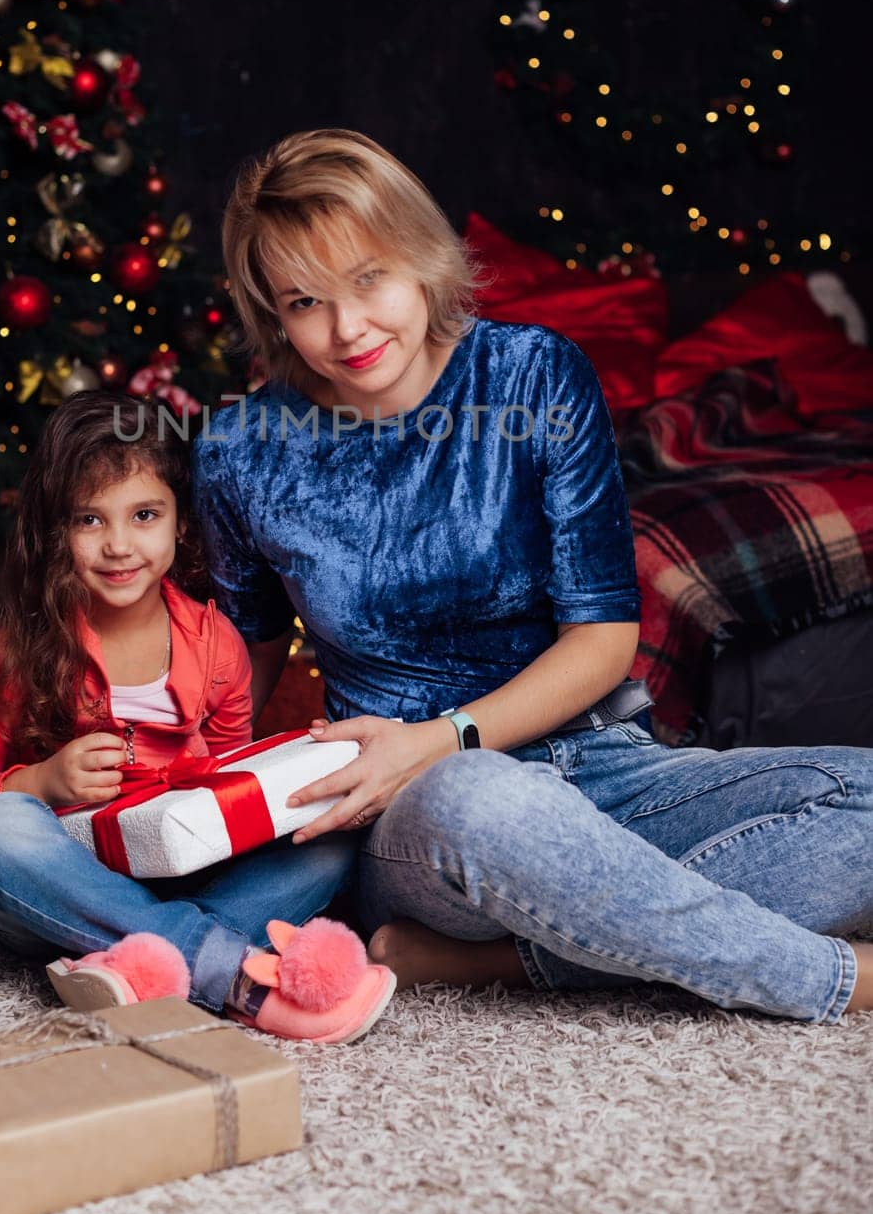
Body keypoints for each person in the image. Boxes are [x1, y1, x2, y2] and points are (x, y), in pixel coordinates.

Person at [191, 126, 873, 1023]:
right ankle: (828, 980)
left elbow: (603, 639)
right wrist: (170, 775)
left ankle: (506, 964)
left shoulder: (533, 375)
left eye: (369, 279)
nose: (347, 327)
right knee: (481, 797)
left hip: (603, 766)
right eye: (306, 301)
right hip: (420, 806)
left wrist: (448, 734)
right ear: (271, 313)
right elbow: (239, 654)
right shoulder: (241, 452)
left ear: (419, 258)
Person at [0, 389, 395, 1044]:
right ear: (54, 531)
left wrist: (272, 784)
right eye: (89, 521)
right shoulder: (16, 649)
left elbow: (235, 793)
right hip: (57, 888)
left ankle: (133, 963)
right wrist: (39, 783)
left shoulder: (217, 647)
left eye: (143, 514)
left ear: (180, 523)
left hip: (182, 876)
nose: (119, 545)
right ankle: (233, 976)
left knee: (332, 835)